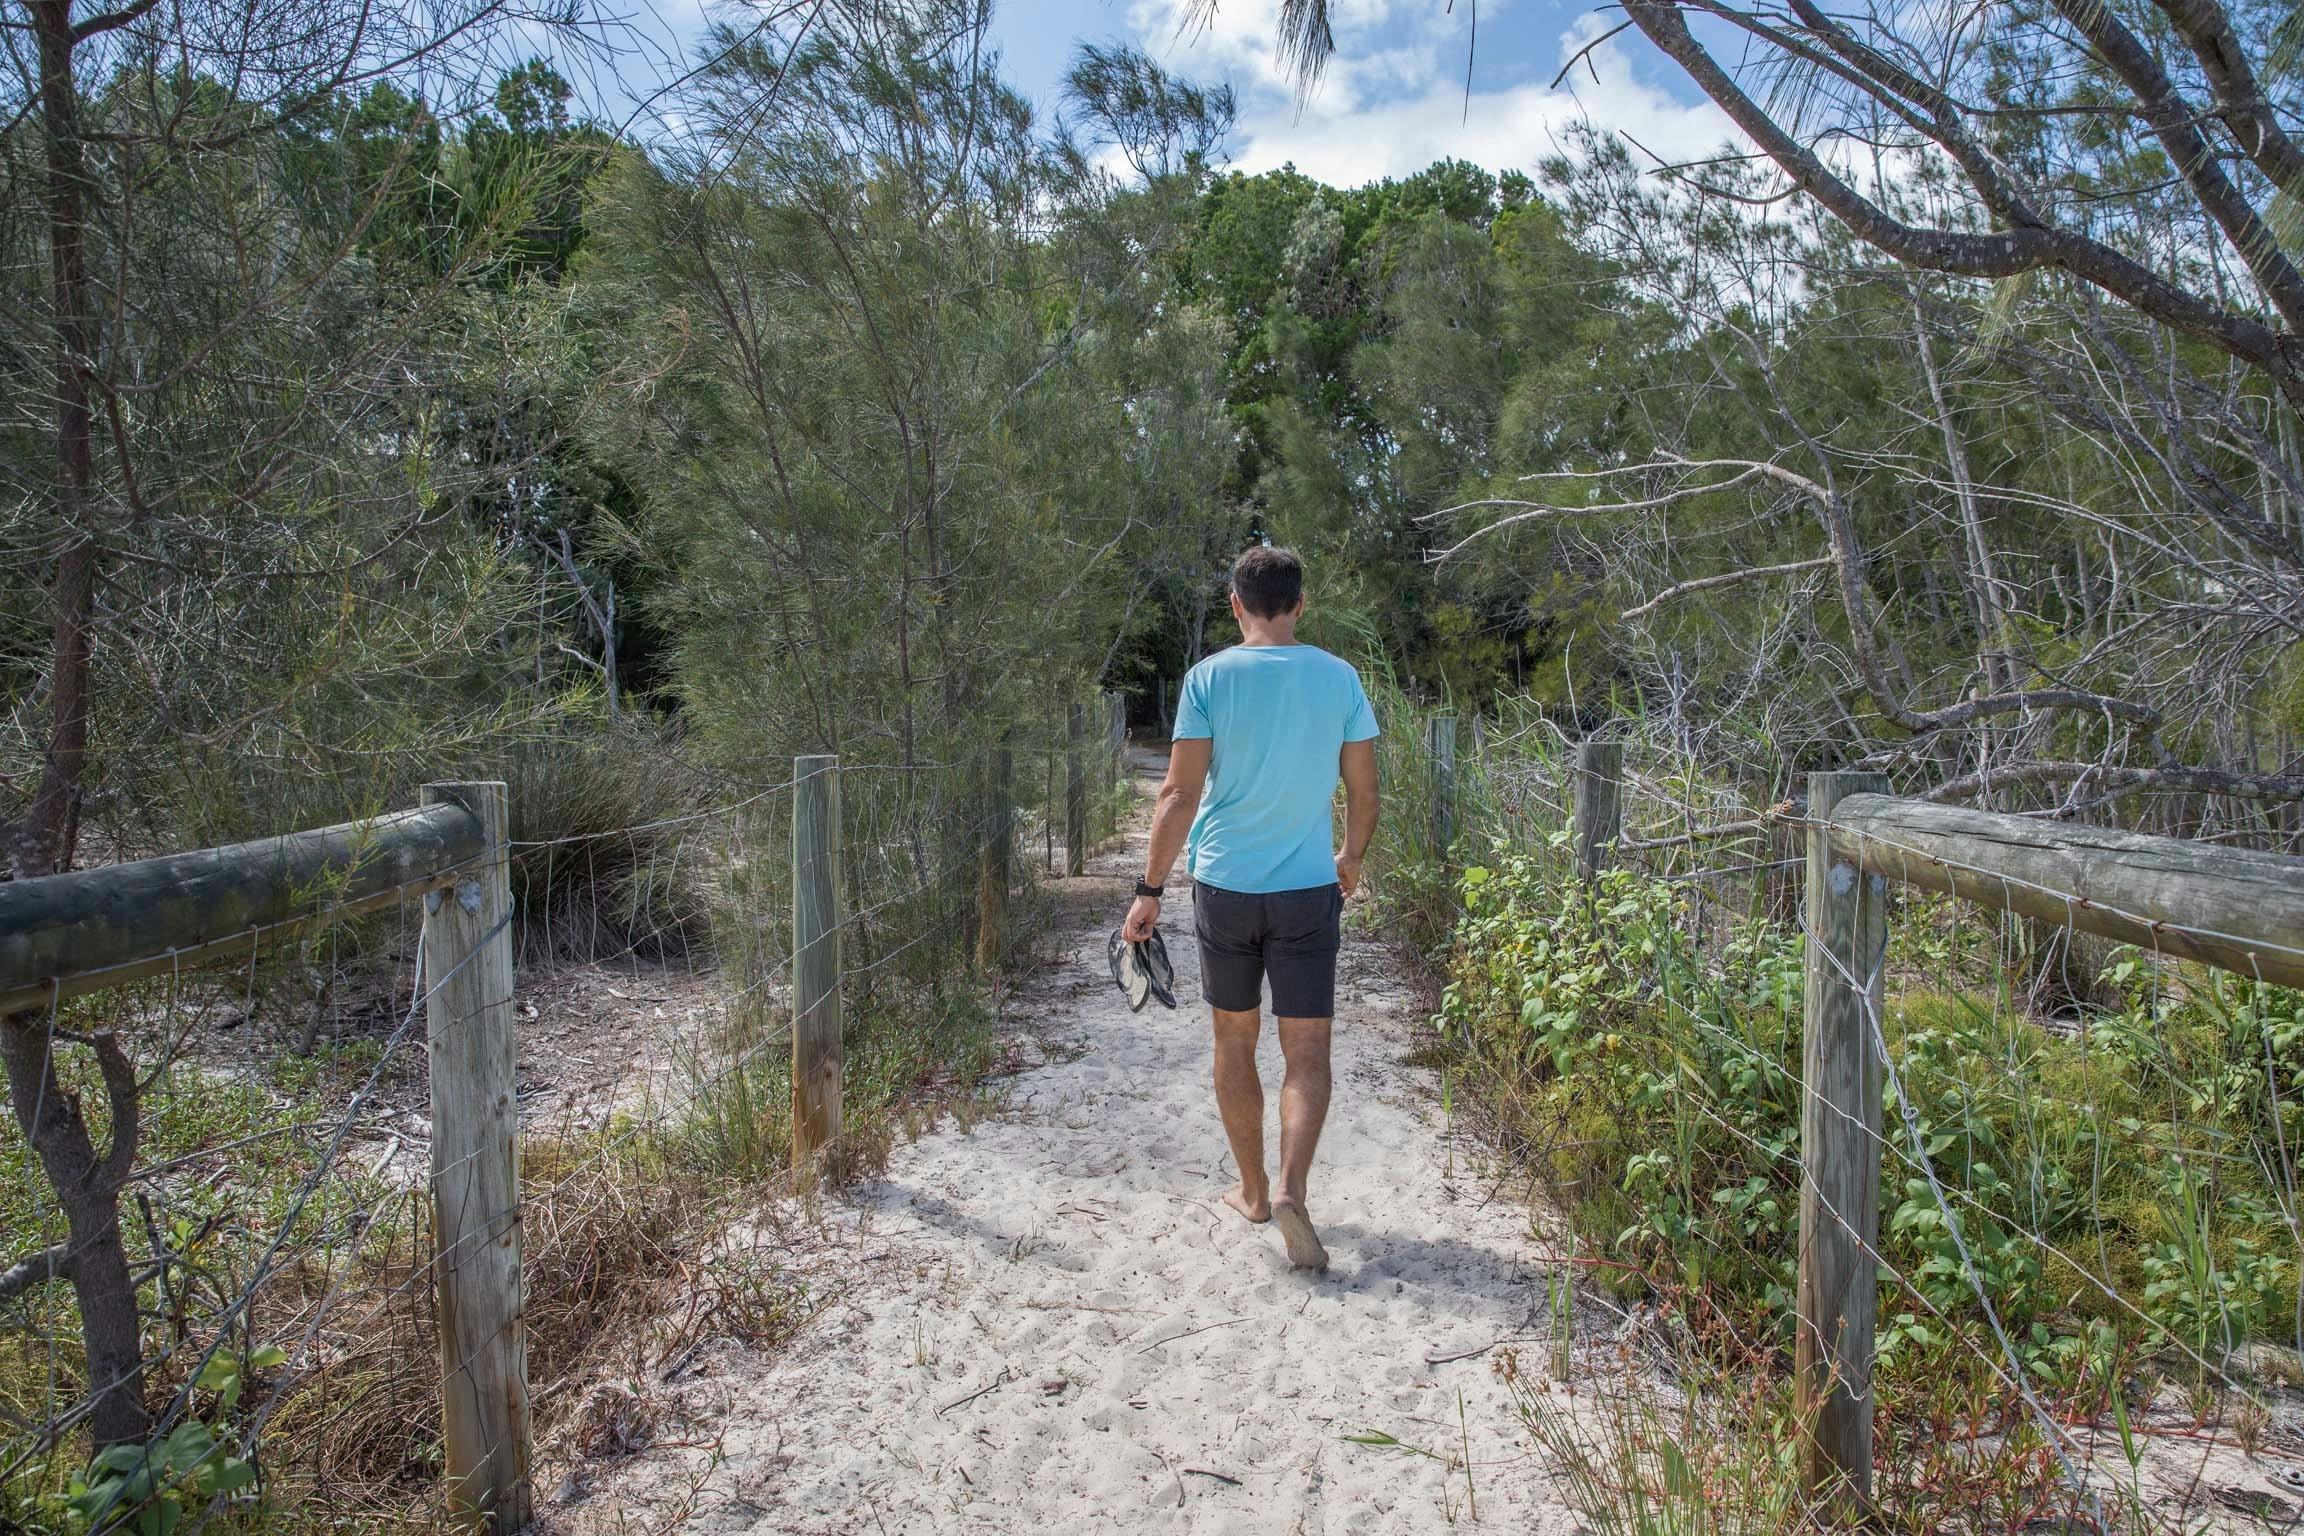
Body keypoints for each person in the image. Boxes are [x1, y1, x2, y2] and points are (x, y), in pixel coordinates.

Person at [1121, 546, 1380, 1270]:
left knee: (1234, 1042)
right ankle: (1296, 1187)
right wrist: (1350, 859)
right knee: (1307, 1051)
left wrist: (1149, 891)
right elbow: (1366, 794)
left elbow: (1178, 794)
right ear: (1301, 604)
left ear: (1235, 605)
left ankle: (1255, 1191)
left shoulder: (1208, 678)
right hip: (1306, 888)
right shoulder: (1340, 678)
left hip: (1226, 888)